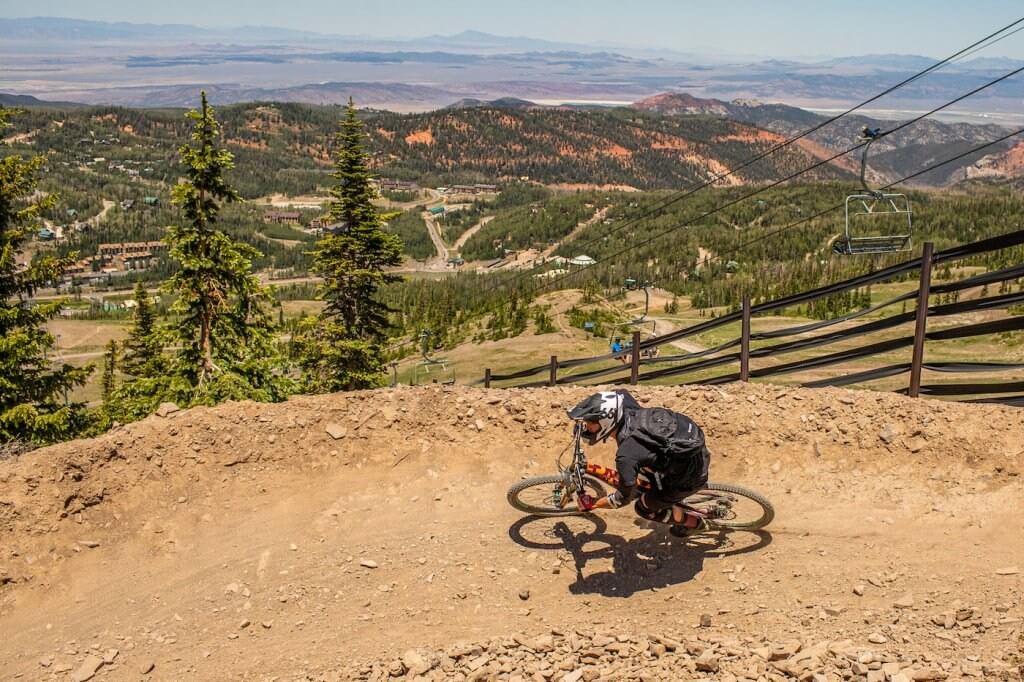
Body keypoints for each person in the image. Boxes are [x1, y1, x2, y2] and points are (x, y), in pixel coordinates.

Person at [567, 389, 711, 537]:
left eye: (590, 423)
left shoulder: (627, 455)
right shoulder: (625, 405)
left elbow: (622, 498)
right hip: (696, 453)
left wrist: (594, 503)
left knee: (642, 509)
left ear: (606, 422)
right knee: (643, 472)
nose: (587, 426)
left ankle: (696, 523)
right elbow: (619, 392)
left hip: (689, 478)